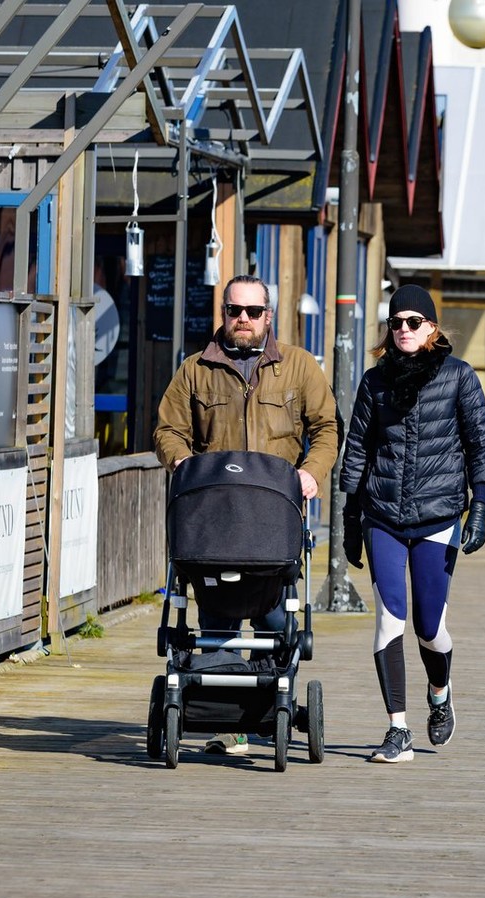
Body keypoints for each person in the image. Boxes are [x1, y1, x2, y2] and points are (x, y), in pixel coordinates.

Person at [153, 273, 339, 755]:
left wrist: (312, 472)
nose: (243, 319)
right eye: (234, 310)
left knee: (279, 624)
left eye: (253, 312)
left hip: (274, 525)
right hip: (215, 527)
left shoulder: (299, 368)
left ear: (268, 316)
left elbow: (326, 428)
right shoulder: (195, 370)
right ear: (223, 314)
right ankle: (228, 724)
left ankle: (269, 705)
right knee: (217, 628)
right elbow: (167, 428)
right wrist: (182, 462)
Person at [340, 285, 485, 764]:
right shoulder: (374, 382)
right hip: (383, 516)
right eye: (397, 323)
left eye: (414, 322)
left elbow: (482, 445)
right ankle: (398, 730)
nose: (405, 330)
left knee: (430, 626)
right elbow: (357, 449)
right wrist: (351, 517)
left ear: (432, 327)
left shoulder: (459, 377)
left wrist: (481, 506)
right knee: (390, 619)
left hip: (438, 516)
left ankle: (440, 690)